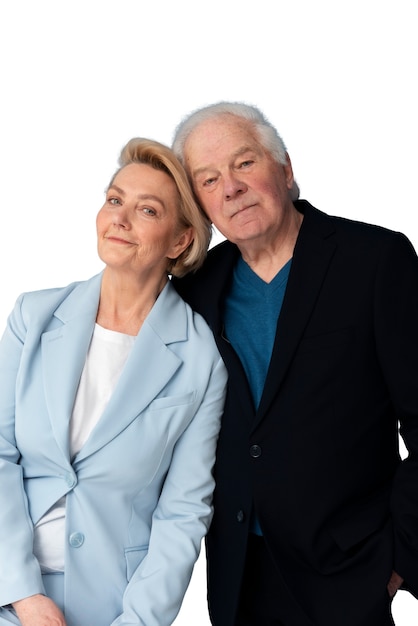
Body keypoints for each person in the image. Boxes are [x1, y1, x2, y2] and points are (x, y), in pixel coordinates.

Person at [171, 101, 418, 626]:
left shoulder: (375, 260)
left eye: (244, 163)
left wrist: (398, 558)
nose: (231, 187)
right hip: (239, 577)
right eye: (209, 180)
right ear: (200, 206)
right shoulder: (194, 290)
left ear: (284, 169)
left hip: (349, 571)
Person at [0, 138, 227, 626]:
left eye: (147, 210)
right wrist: (22, 594)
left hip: (115, 605)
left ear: (180, 240)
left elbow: (183, 511)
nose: (119, 219)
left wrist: (137, 621)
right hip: (9, 587)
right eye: (114, 199)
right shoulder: (33, 316)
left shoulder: (199, 358)